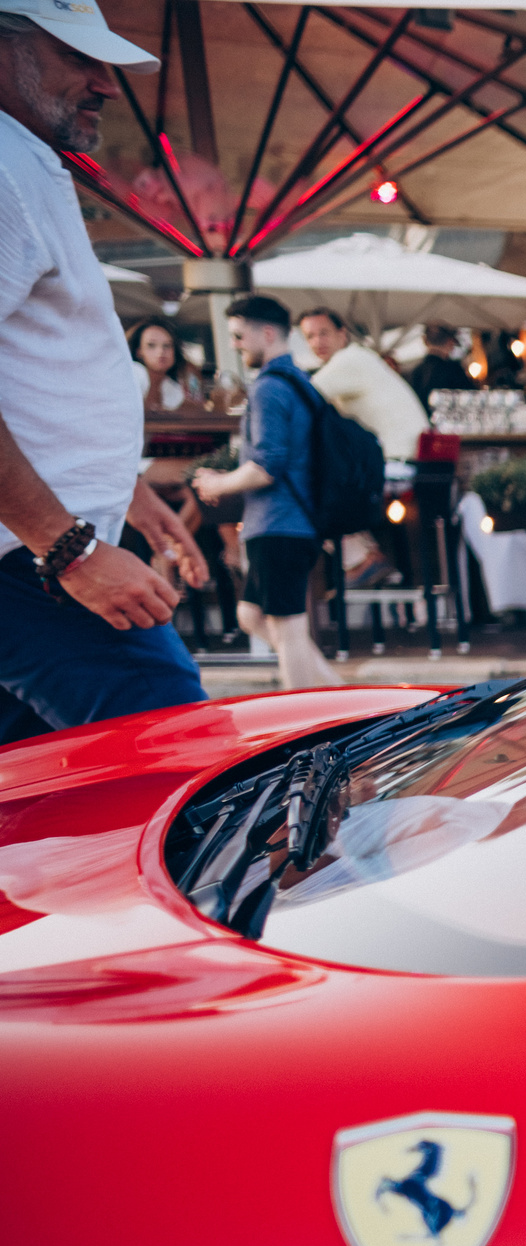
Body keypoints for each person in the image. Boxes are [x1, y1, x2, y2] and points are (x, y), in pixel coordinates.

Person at [0, 1, 209, 745]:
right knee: (191, 782)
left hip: (35, 559)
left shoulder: (20, 159)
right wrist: (69, 550)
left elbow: (35, 378)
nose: (107, 82)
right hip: (33, 568)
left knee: (46, 822)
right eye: (77, 57)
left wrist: (126, 488)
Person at [190, 295, 339, 690]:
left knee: (287, 630)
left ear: (267, 333)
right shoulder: (301, 383)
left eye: (239, 336)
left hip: (279, 523)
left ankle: (313, 723)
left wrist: (216, 484)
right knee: (251, 616)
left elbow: (267, 466)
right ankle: (344, 696)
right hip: (291, 523)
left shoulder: (269, 388)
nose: (236, 344)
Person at [297, 306, 423, 583]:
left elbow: (297, 401)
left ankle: (362, 560)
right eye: (310, 337)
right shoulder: (358, 360)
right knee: (322, 480)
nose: (318, 342)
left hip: (399, 465)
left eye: (324, 333)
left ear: (343, 335)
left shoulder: (349, 360)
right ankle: (365, 558)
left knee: (302, 490)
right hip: (405, 461)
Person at [129, 316, 203, 411]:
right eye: (151, 345)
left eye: (167, 346)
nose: (161, 352)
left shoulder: (172, 389)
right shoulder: (134, 373)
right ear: (139, 352)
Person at [406, 324, 475, 407]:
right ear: (450, 342)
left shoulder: (416, 372)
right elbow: (471, 399)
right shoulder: (454, 370)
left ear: (424, 340)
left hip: (420, 418)